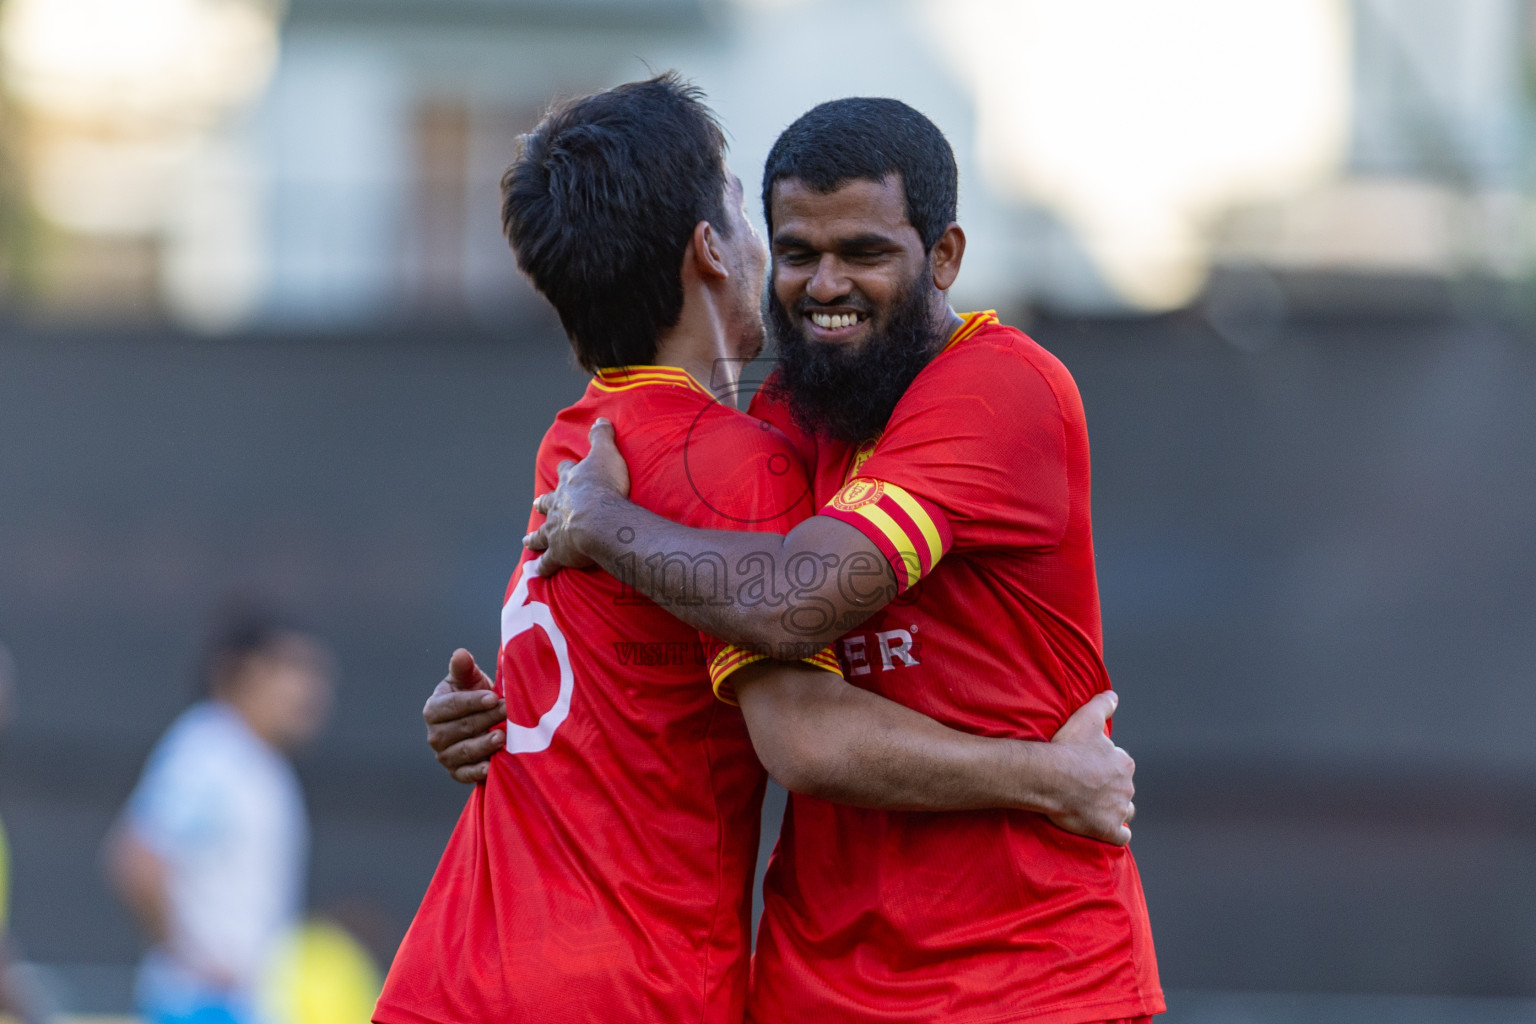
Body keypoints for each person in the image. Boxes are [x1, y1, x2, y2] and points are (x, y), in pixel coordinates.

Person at [376, 75, 1135, 1024]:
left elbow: (769, 604)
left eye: (863, 252)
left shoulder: (995, 390)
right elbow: (793, 721)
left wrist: (601, 543)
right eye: (792, 248)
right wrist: (1049, 776)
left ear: (944, 256)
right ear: (721, 251)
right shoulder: (750, 443)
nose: (824, 284)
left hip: (1015, 979)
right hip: (711, 985)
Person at [104, 613, 334, 1024]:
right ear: (245, 672)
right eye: (293, 670)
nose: (311, 689)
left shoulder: (258, 762)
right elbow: (137, 858)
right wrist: (191, 960)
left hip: (241, 1005)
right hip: (201, 1007)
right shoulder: (210, 751)